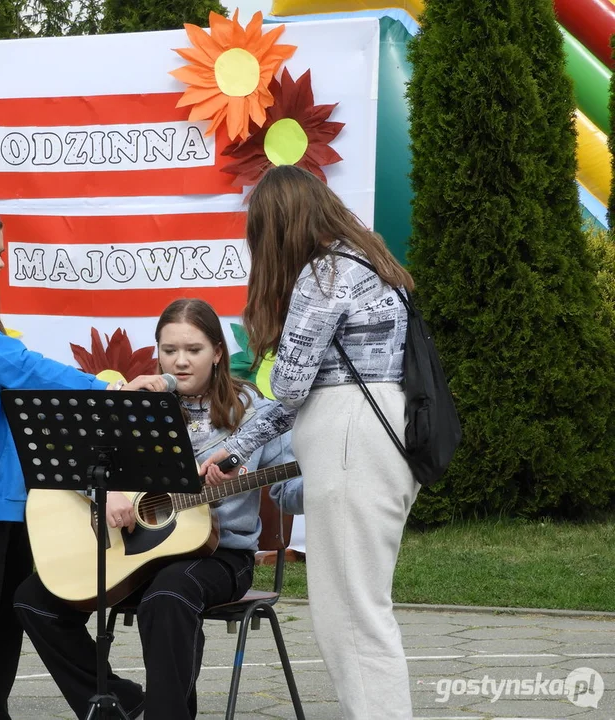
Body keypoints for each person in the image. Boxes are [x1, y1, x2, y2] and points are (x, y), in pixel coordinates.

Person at [0, 201, 169, 720]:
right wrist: (107, 389)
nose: (0, 264)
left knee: (2, 628)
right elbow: (20, 369)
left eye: (2, 253)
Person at [13, 298, 303, 720]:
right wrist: (104, 491)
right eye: (169, 351)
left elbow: (287, 492)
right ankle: (121, 705)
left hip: (221, 556)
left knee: (169, 595)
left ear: (218, 352)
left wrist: (324, 487)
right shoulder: (140, 404)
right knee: (33, 600)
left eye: (194, 350)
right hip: (141, 550)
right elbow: (69, 461)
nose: (180, 362)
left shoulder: (254, 414)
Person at [200, 164, 420, 720]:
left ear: (277, 228)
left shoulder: (323, 275)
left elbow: (291, 385)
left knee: (349, 615)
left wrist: (235, 447)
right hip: (386, 433)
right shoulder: (371, 260)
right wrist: (243, 447)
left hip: (354, 438)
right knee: (361, 607)